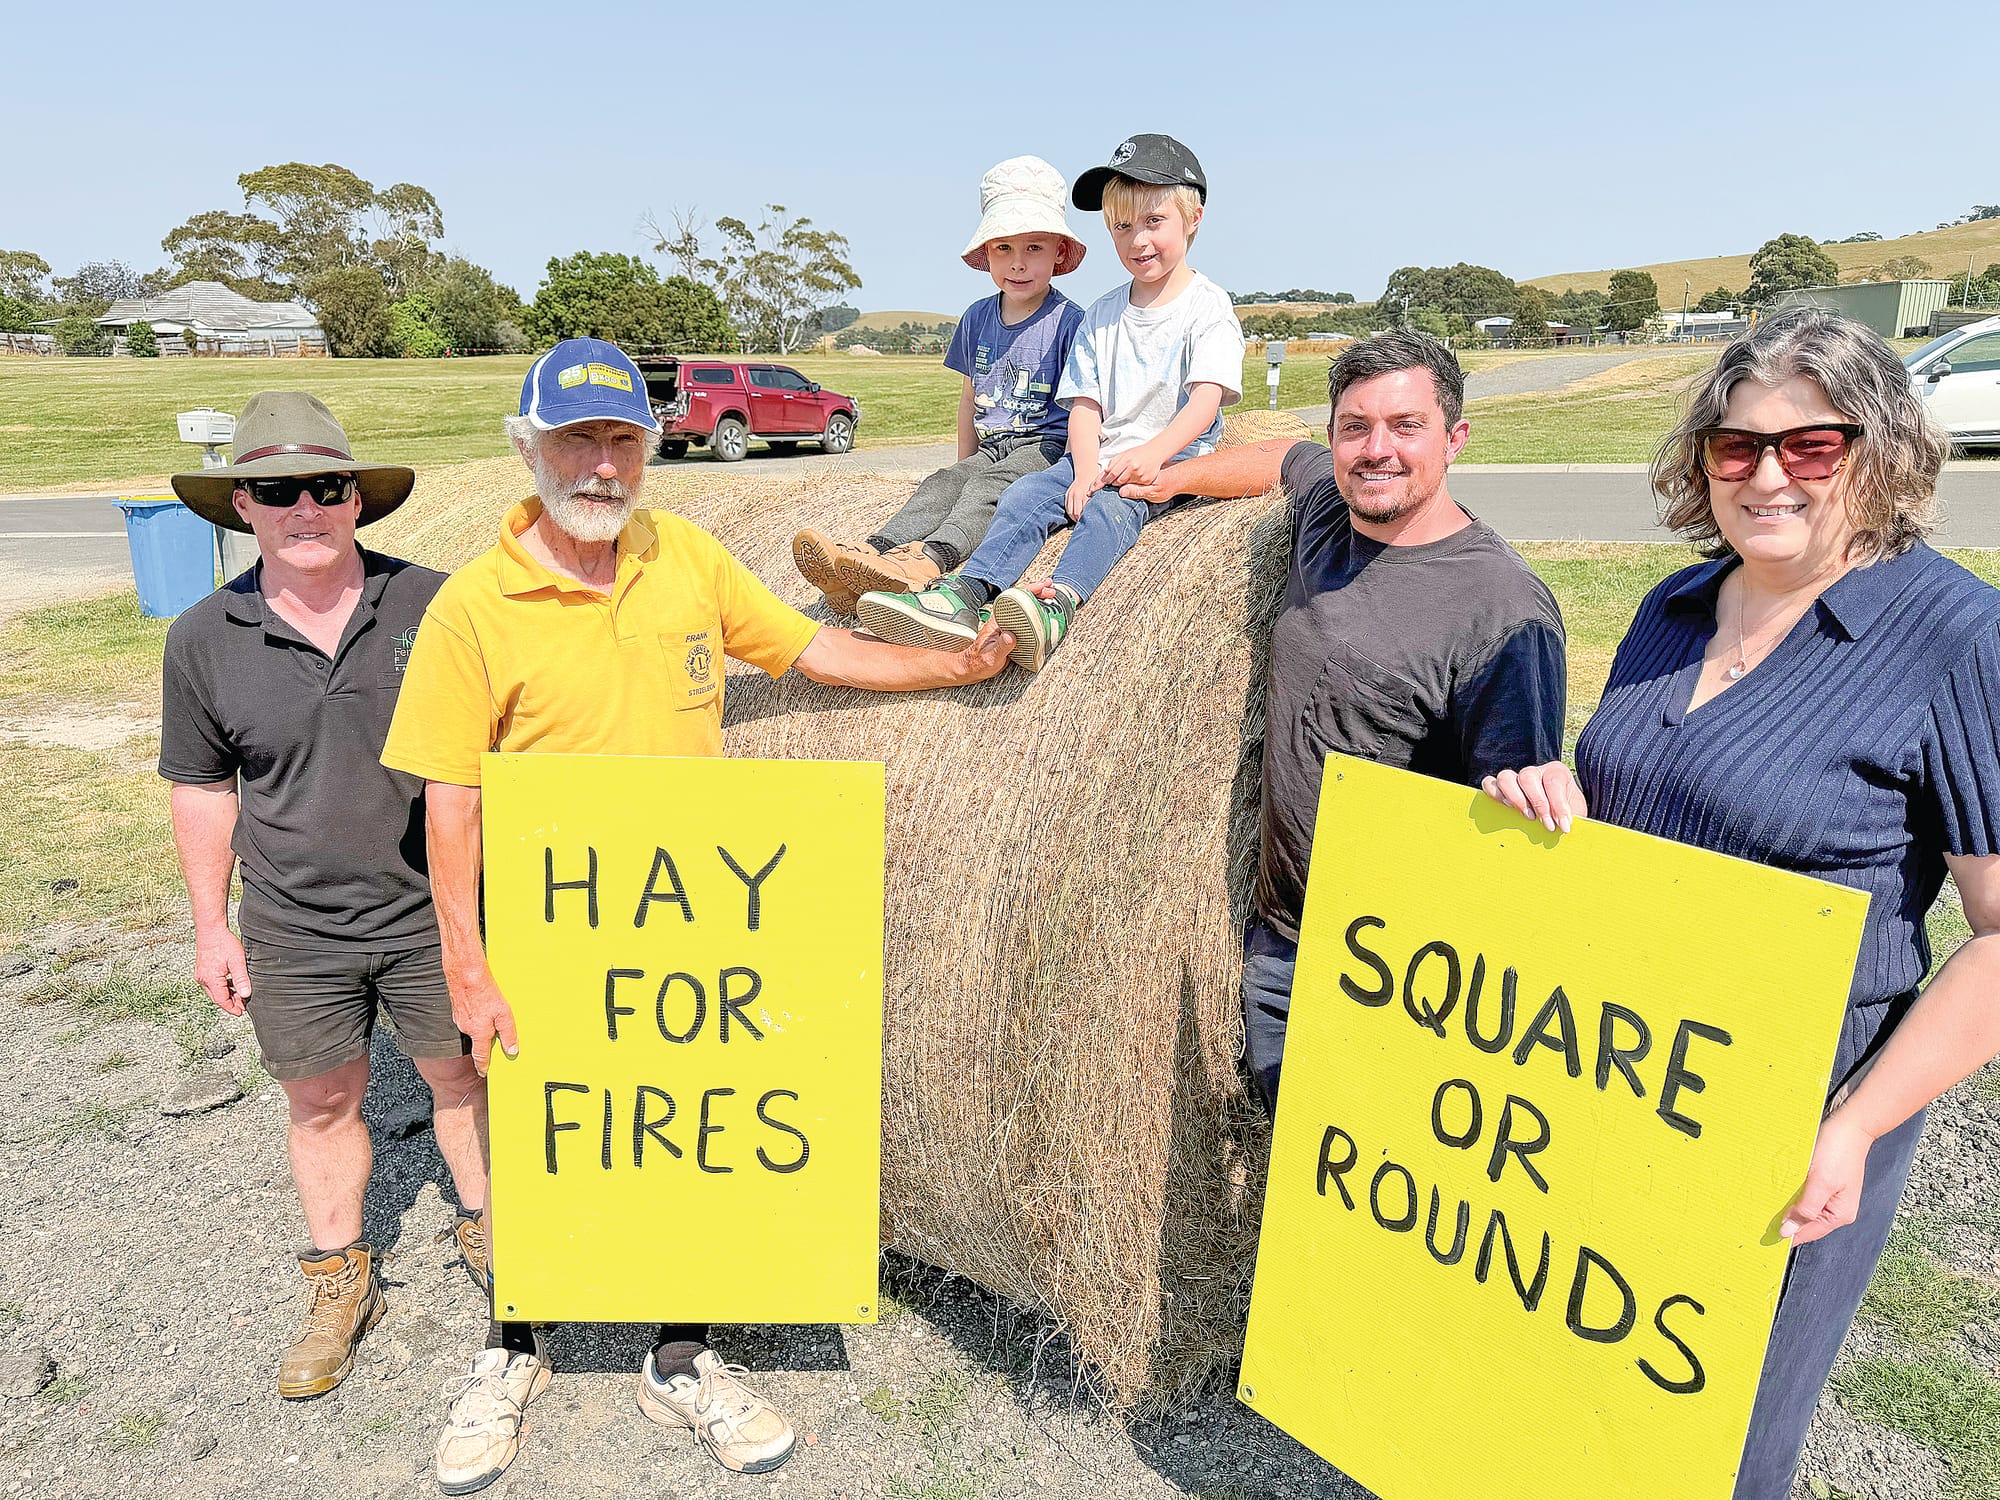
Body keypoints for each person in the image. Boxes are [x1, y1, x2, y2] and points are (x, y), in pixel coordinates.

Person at [378, 338, 1012, 1492]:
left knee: (678, 1126)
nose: (601, 464)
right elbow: (450, 801)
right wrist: (468, 969)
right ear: (529, 450)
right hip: (555, 925)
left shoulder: (686, 559)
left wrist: (946, 672)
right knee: (549, 1132)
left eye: (621, 438)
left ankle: (680, 1355)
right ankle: (513, 1346)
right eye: (575, 439)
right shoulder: (476, 606)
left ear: (649, 445)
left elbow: (810, 649)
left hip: (679, 924)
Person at [1480, 307, 2000, 1499]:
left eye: (1807, 447)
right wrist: (1540, 804)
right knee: (1570, 1400)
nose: (1766, 475)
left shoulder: (1953, 637)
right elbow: (1635, 823)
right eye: (1735, 447)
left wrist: (1853, 1131)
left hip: (1794, 1127)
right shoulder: (1671, 609)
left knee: (1709, 1447)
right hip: (1610, 1081)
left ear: (1876, 453)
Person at [1123, 330, 1566, 1114]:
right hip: (1281, 948)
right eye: (1355, 428)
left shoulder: (1503, 610)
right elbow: (1281, 458)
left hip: (1397, 979)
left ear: (1455, 438)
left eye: (1406, 426)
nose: (1376, 450)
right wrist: (1165, 481)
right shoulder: (1329, 512)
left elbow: (1510, 835)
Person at [159, 392, 490, 1400]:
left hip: (434, 912)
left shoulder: (437, 604)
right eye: (275, 490)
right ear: (241, 508)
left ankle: (495, 1236)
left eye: (327, 486)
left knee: (463, 1080)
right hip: (294, 923)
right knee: (322, 1100)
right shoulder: (204, 637)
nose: (305, 507)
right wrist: (212, 927)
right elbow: (204, 788)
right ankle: (343, 1279)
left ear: (357, 500)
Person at [857, 133, 1246, 671]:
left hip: (1173, 458)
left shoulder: (1207, 307)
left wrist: (1153, 455)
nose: (1137, 240)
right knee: (1025, 494)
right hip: (1100, 454)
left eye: (1153, 222)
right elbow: (1084, 404)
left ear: (1193, 218)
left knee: (1112, 509)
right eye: (1121, 226)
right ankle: (966, 594)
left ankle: (1058, 603)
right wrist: (1085, 466)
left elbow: (1205, 401)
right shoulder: (1104, 314)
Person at [792, 155, 1087, 613]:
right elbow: (970, 398)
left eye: (1034, 248)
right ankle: (873, 554)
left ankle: (929, 561)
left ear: (1059, 253)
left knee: (988, 490)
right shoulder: (976, 318)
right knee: (945, 481)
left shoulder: (1070, 322)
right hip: (993, 445)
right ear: (986, 254)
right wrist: (963, 465)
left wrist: (1075, 473)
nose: (1018, 263)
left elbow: (1086, 406)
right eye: (1003, 248)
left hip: (1044, 446)